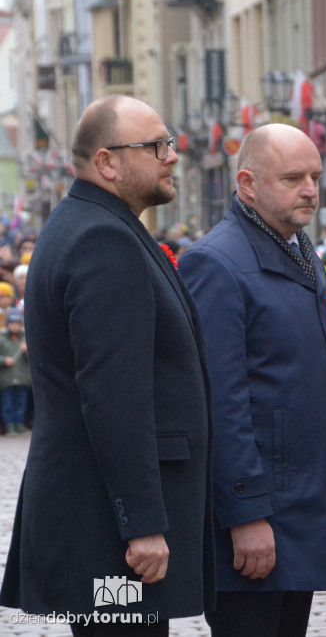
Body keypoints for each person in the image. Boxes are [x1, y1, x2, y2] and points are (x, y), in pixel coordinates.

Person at [0, 94, 213, 635]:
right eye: (156, 145)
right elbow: (114, 396)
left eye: (170, 143)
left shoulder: (93, 224)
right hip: (109, 533)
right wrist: (142, 524)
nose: (171, 156)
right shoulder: (101, 239)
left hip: (98, 518)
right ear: (108, 163)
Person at [178, 124, 326, 637]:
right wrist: (244, 515)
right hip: (260, 515)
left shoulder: (300, 250)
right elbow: (220, 402)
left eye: (316, 177)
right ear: (248, 183)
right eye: (293, 177)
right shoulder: (215, 262)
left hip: (302, 507)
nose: (311, 190)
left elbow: (324, 389)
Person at [0, 307, 29, 434]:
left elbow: (31, 361)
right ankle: (9, 425)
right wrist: (4, 360)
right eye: (12, 323)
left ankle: (20, 423)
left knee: (21, 403)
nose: (15, 326)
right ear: (8, 324)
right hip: (7, 378)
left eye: (18, 324)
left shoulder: (25, 340)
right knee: (7, 404)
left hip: (22, 378)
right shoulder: (2, 339)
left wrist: (27, 351)